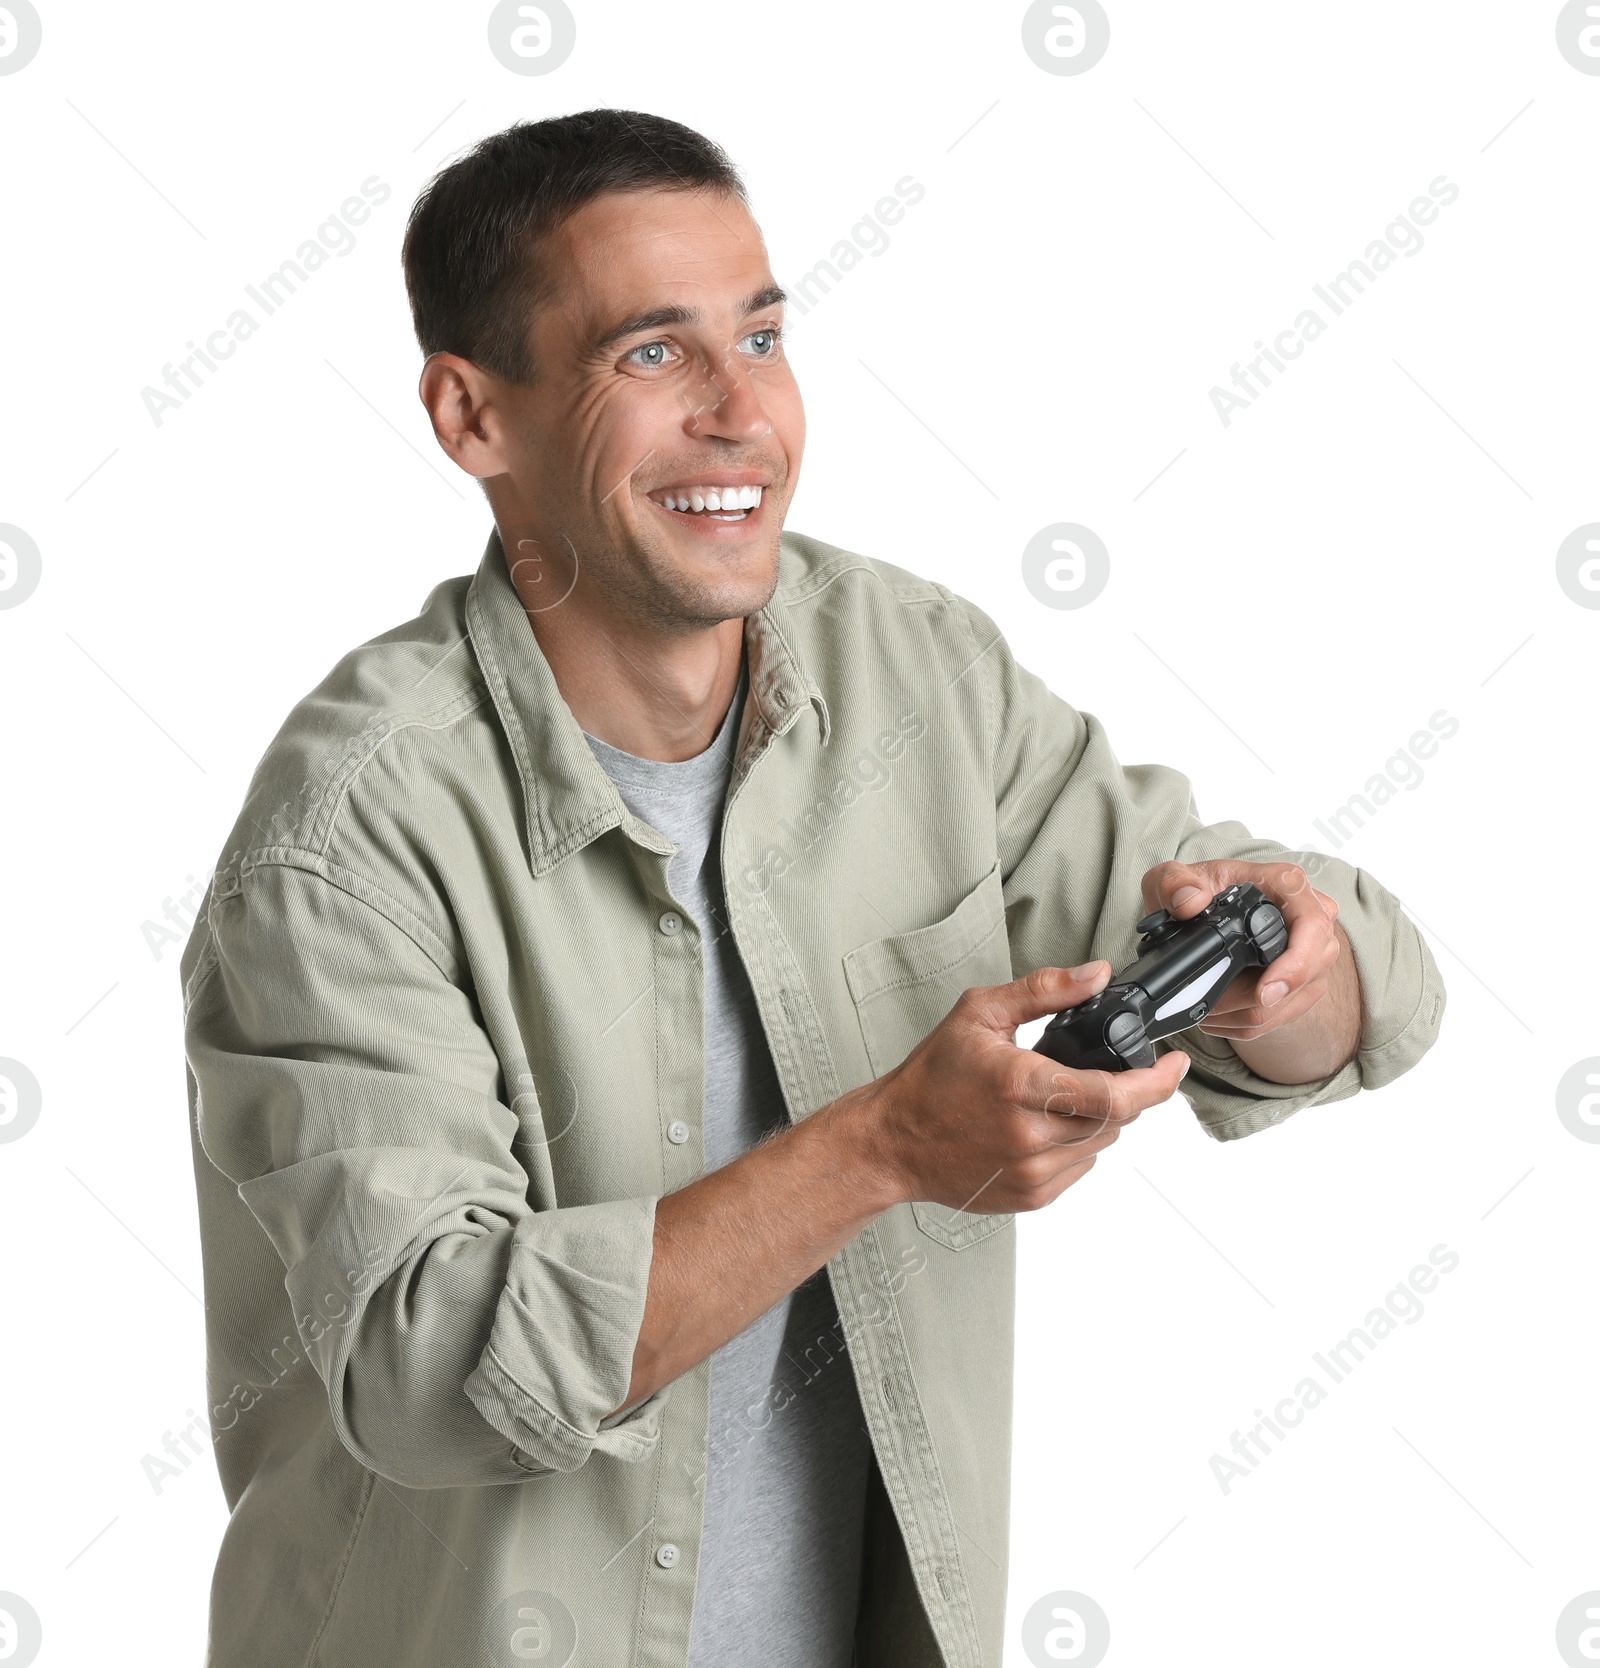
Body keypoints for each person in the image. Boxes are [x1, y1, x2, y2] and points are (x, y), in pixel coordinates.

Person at [179, 109, 1446, 1668]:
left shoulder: (915, 678)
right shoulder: (348, 837)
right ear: (472, 416)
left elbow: (1333, 971)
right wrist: (882, 1145)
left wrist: (1296, 979)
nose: (743, 414)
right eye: (652, 356)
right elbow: (430, 1363)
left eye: (763, 336)